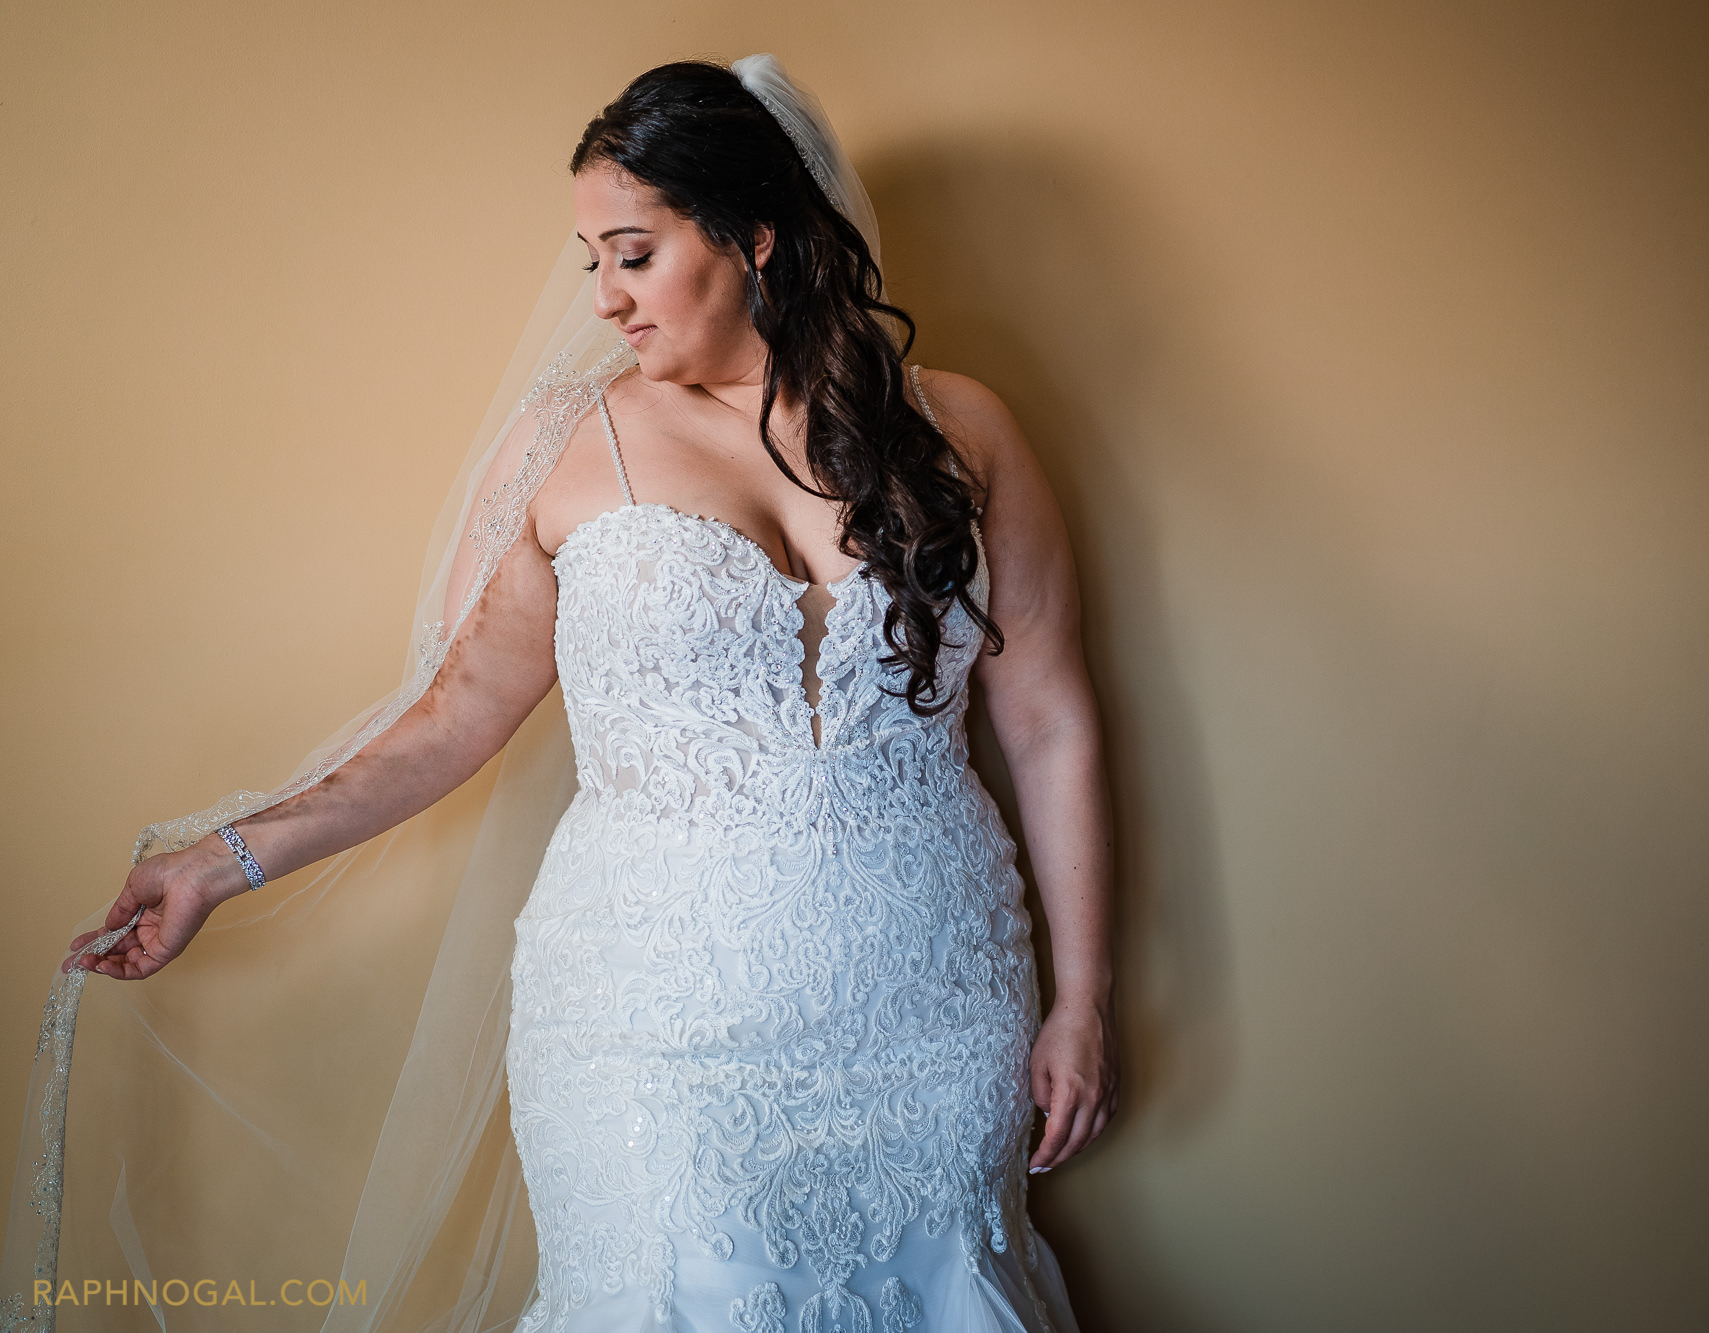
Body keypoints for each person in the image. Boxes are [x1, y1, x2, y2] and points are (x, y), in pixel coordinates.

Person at [3, 54, 1114, 1333]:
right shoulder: (563, 443)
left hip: (932, 998)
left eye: (632, 255)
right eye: (589, 260)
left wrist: (1077, 998)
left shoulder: (960, 430)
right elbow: (453, 718)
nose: (604, 299)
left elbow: (1046, 718)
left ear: (753, 235)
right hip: (650, 1016)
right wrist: (221, 861)